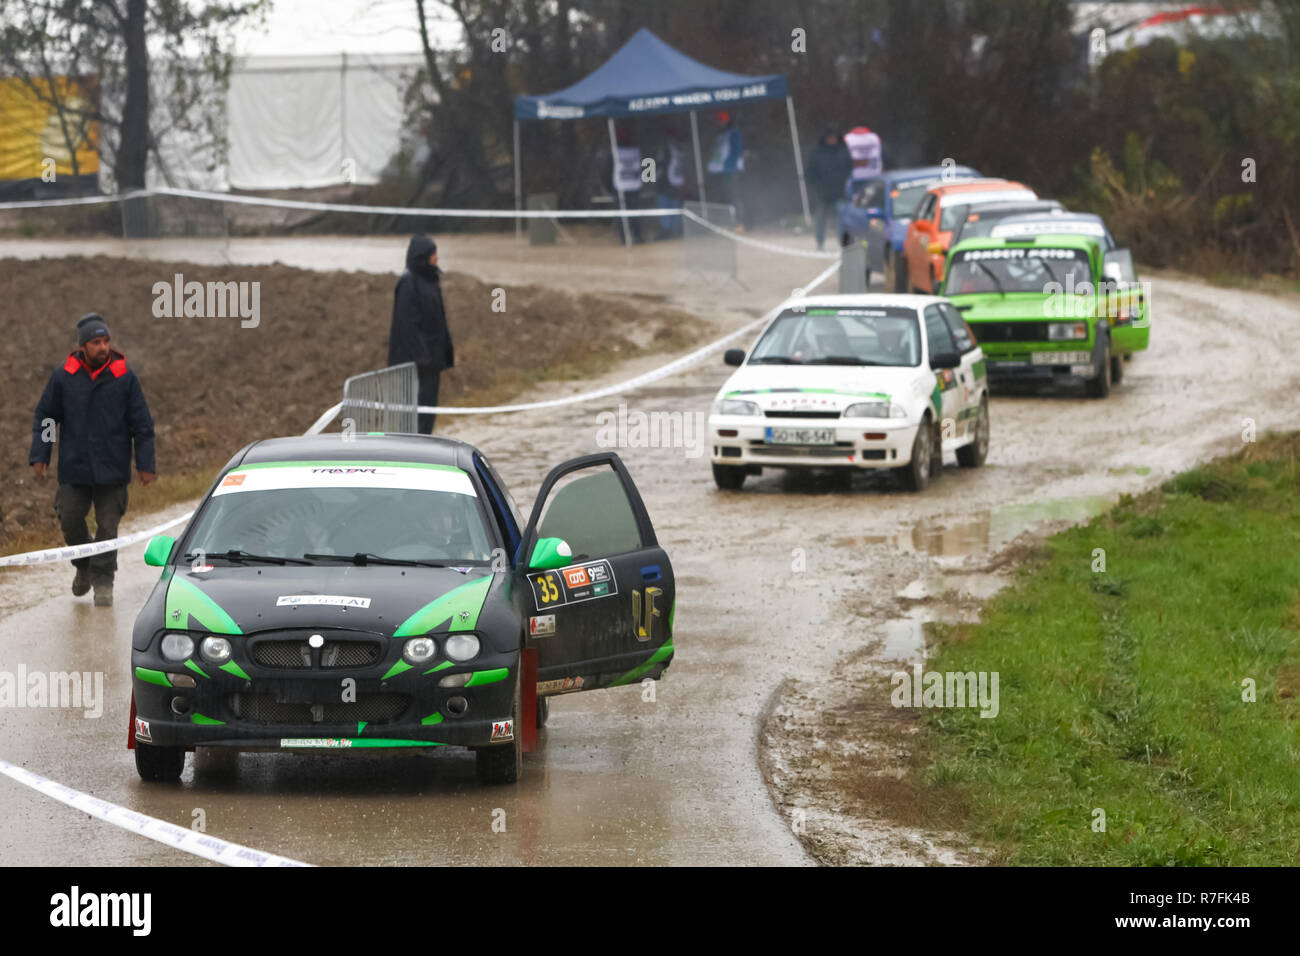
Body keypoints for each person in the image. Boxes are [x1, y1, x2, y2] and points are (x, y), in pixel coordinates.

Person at [29, 313, 156, 607]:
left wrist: (146, 465)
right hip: (75, 467)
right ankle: (84, 566)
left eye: (106, 341)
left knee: (108, 529)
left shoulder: (124, 376)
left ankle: (103, 583)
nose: (103, 347)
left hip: (113, 470)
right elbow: (47, 417)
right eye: (96, 342)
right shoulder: (64, 377)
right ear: (83, 347)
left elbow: (142, 424)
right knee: (70, 519)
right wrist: (41, 453)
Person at [388, 235, 454, 434]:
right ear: (424, 256)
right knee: (414, 413)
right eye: (434, 254)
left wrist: (445, 352)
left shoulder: (431, 280)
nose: (437, 258)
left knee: (428, 410)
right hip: (415, 364)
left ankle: (425, 441)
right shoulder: (408, 283)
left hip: (432, 361)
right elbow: (406, 325)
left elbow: (439, 321)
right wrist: (421, 357)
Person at [804, 124, 853, 250]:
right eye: (830, 137)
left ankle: (843, 243)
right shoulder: (816, 152)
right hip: (822, 192)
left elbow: (849, 166)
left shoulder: (843, 149)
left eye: (834, 137)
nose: (833, 140)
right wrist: (816, 184)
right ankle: (820, 243)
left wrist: (843, 180)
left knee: (842, 219)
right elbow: (810, 171)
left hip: (840, 191)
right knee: (820, 219)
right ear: (825, 138)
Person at [707, 111, 745, 227]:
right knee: (724, 197)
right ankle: (727, 223)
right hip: (721, 171)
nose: (718, 123)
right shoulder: (721, 135)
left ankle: (739, 222)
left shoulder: (733, 133)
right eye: (717, 121)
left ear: (725, 120)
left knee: (733, 196)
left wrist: (728, 165)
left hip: (731, 170)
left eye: (720, 120)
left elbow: (737, 152)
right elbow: (718, 153)